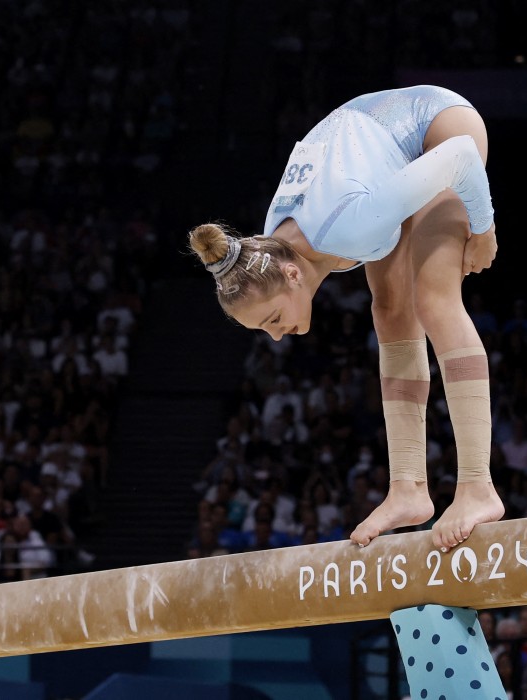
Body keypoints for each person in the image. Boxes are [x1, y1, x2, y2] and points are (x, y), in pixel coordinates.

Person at [188, 85, 503, 551]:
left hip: (436, 126)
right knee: (390, 311)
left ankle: (478, 487)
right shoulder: (264, 249)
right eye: (265, 330)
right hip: (374, 152)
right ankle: (409, 489)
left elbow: (459, 157)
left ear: (293, 274)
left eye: (273, 319)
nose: (277, 337)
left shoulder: (350, 224)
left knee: (433, 300)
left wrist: (484, 228)